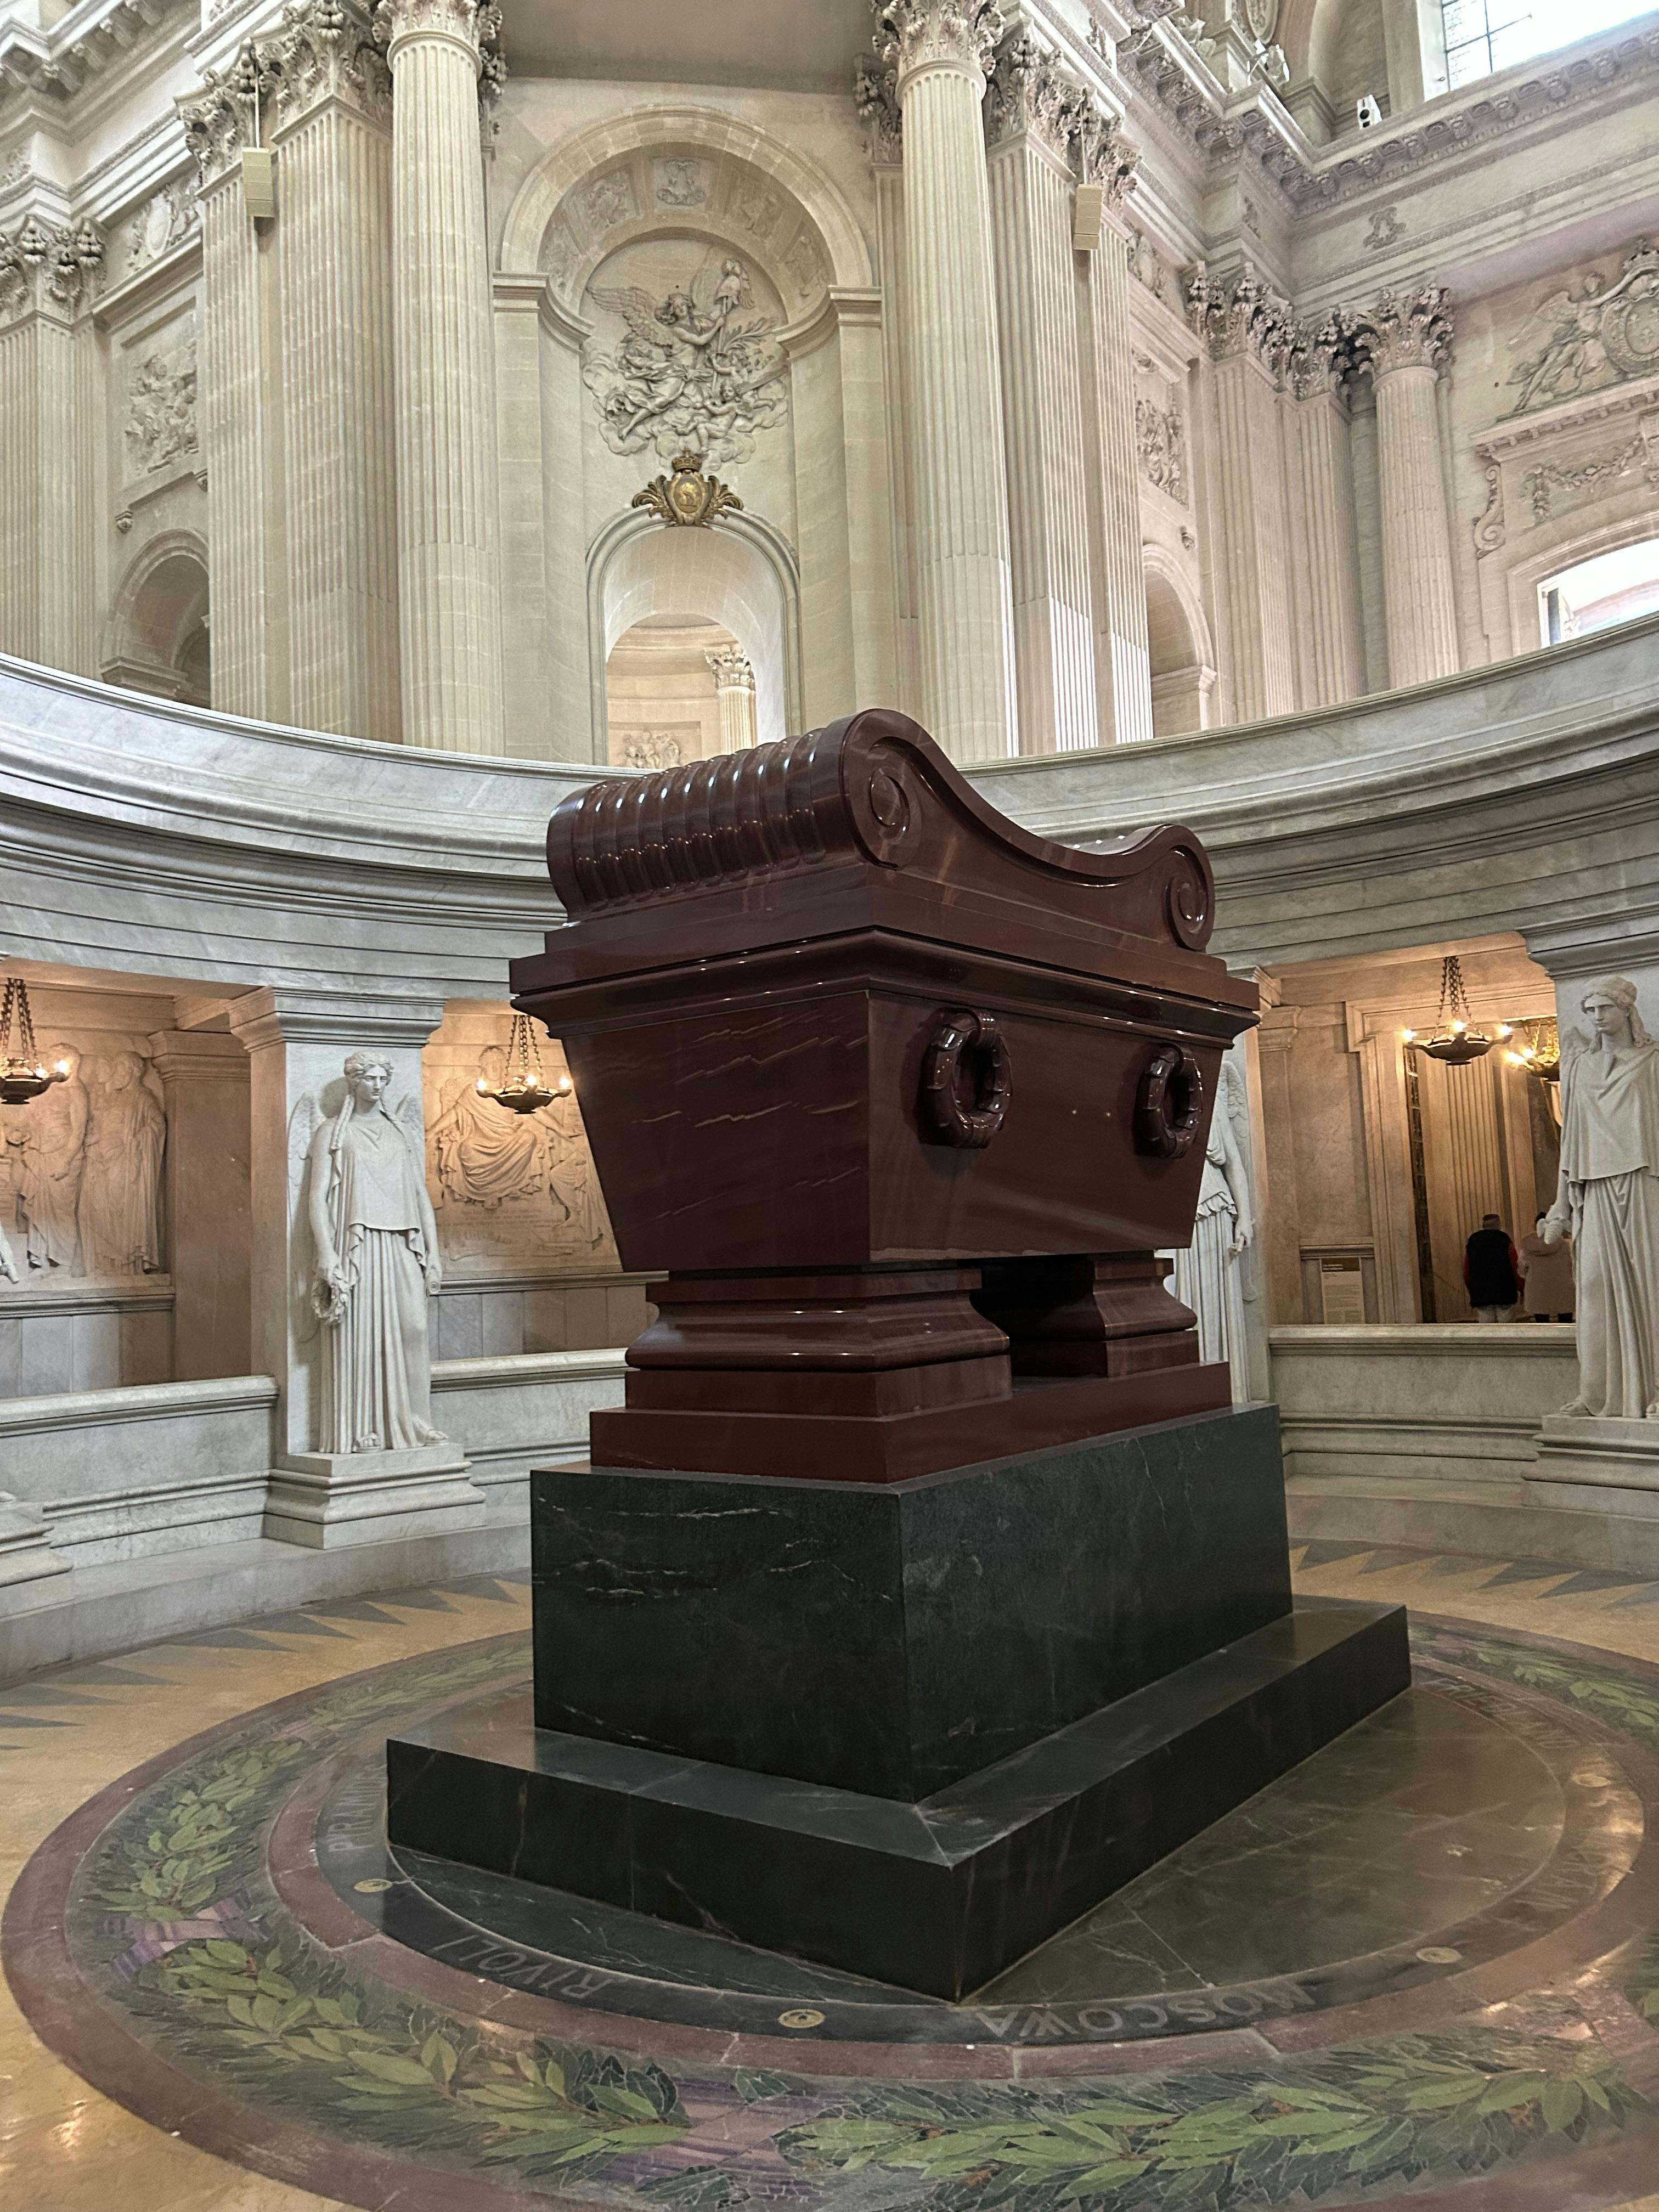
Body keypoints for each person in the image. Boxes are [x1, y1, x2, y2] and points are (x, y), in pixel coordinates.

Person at [306, 1052, 445, 1455]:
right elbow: (316, 1197)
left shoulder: (399, 1132)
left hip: (402, 1241)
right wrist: (326, 1252)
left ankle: (415, 1420)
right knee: (362, 1336)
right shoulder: (333, 1132)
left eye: (384, 1079)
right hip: (359, 1243)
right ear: (354, 1082)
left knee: (414, 1329)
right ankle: (363, 1426)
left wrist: (434, 1254)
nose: (378, 1086)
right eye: (370, 1078)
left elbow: (420, 1197)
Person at [1545, 976, 1659, 1418]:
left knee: (1650, 1288)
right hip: (1593, 1188)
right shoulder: (1581, 1067)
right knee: (1592, 1288)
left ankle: (1655, 1390)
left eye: (1604, 1008)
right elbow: (1570, 1139)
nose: (1596, 1018)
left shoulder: (1652, 1061)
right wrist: (1560, 1204)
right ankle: (1595, 1395)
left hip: (1643, 1182)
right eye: (1590, 1010)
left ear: (1626, 1009)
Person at [1517, 1211, 1575, 1322]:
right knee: (1565, 1321)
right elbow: (1573, 1265)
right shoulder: (1565, 1245)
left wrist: (1528, 1277)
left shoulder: (1527, 1244)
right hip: (1563, 1287)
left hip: (1537, 1287)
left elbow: (1522, 1267)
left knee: (1541, 1323)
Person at [1464, 1213, 1520, 1322]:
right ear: (1498, 1225)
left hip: (1482, 1292)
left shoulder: (1473, 1242)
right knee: (1506, 1326)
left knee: (1487, 1327)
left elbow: (1467, 1270)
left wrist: (1472, 1289)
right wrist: (1520, 1288)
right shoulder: (1505, 1241)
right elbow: (1515, 1266)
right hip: (1505, 1291)